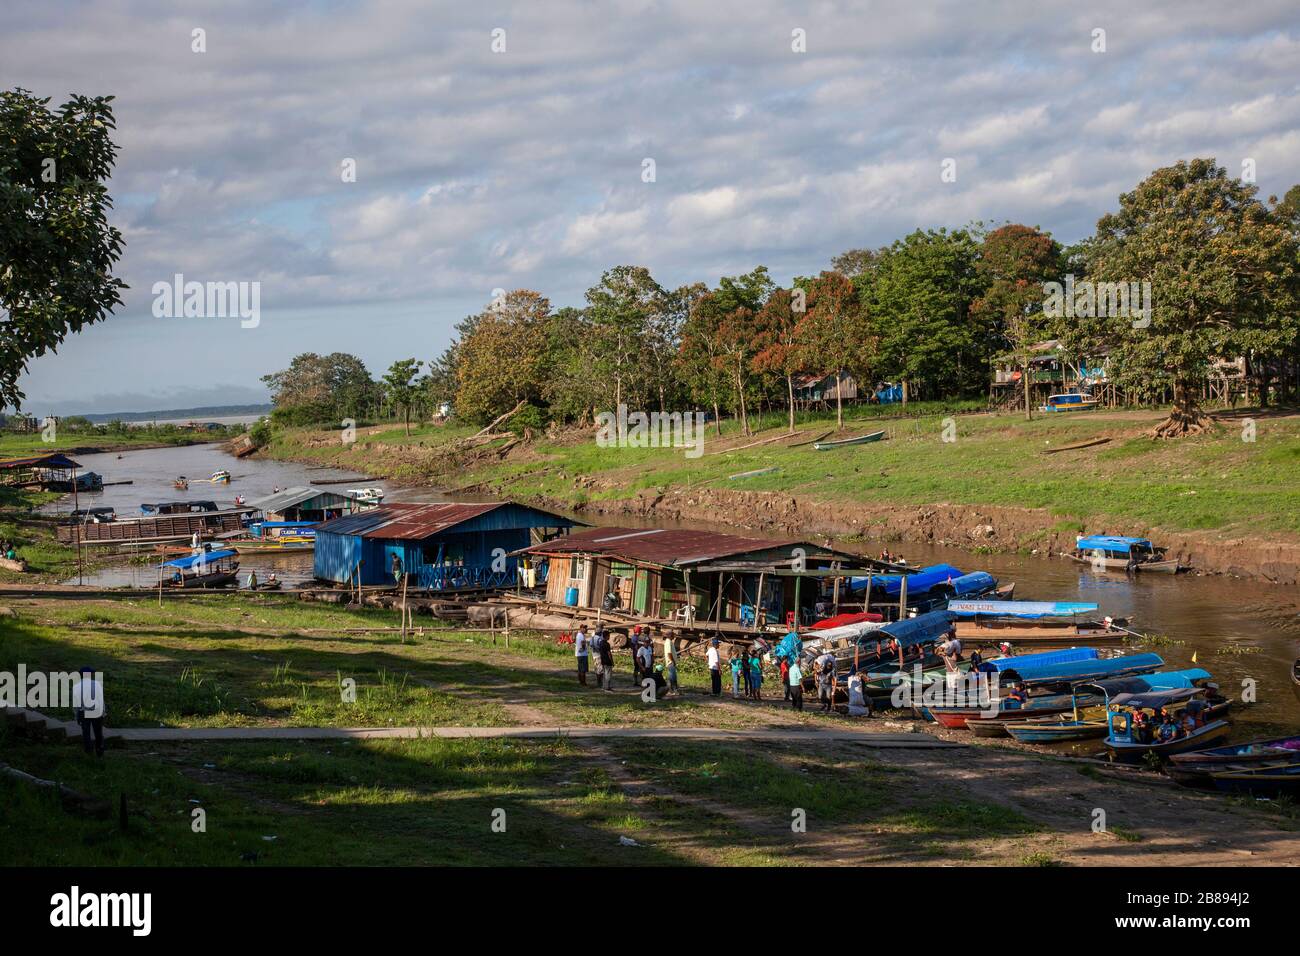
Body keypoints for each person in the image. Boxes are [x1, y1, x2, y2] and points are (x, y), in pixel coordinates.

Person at [73, 667, 105, 757]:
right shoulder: (97, 684)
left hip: (83, 712)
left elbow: (76, 704)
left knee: (86, 733)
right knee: (98, 733)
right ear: (90, 674)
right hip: (96, 711)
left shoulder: (76, 686)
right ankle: (100, 751)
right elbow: (101, 700)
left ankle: (88, 752)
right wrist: (103, 712)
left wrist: (77, 716)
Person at [595, 627, 615, 691]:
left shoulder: (601, 643)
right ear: (606, 636)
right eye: (608, 636)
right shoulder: (607, 644)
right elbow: (609, 653)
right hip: (607, 661)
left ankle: (604, 686)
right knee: (608, 674)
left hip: (603, 660)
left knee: (604, 674)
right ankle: (607, 687)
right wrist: (612, 661)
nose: (609, 637)